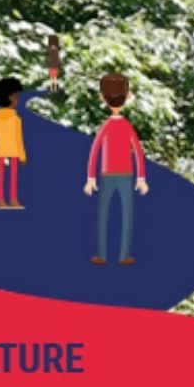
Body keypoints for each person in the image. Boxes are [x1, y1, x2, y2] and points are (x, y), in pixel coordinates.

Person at [83, 73, 149, 265]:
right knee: (119, 214)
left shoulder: (111, 126)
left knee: (110, 214)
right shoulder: (122, 126)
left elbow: (95, 151)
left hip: (115, 175)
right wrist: (141, 178)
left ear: (102, 98)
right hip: (118, 175)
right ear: (127, 97)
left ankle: (115, 255)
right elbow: (137, 152)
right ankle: (111, 255)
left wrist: (90, 178)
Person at [0, 77, 27, 210]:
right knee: (11, 177)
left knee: (3, 177)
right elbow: (18, 139)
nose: (17, 100)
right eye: (16, 96)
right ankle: (8, 200)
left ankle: (6, 200)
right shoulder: (15, 119)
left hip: (4, 151)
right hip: (11, 152)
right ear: (10, 98)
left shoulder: (0, 118)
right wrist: (22, 156)